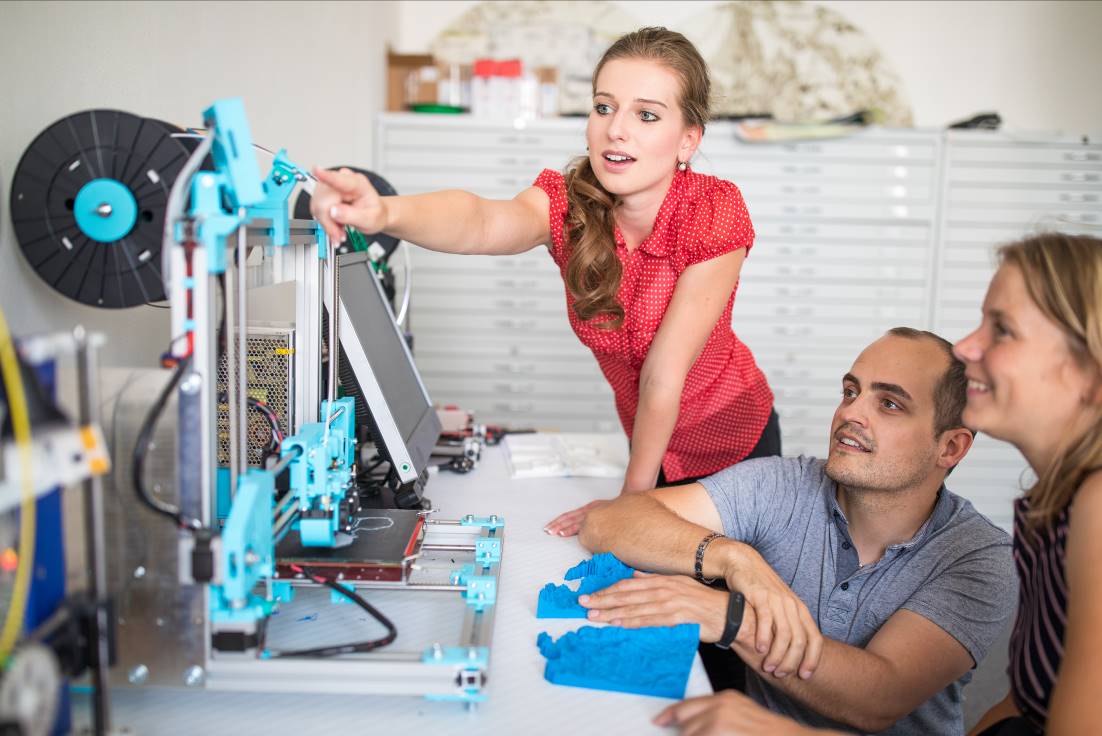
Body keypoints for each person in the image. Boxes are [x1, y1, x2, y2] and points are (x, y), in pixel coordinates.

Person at [309, 27, 778, 537]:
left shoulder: (713, 210)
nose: (616, 130)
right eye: (604, 107)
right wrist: (384, 211)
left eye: (646, 115)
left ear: (688, 139)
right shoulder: (569, 204)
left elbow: (664, 375)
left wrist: (631, 502)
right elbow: (482, 220)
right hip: (651, 448)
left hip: (735, 444)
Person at [578, 328, 1017, 734]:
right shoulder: (786, 484)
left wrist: (729, 617)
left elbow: (879, 696)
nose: (850, 413)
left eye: (889, 404)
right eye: (850, 391)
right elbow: (611, 521)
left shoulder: (978, 556)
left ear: (950, 447)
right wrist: (735, 559)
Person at [954, 233, 1102, 736]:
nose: (964, 346)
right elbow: (1024, 704)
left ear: (1091, 373)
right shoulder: (1052, 504)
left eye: (1003, 330)